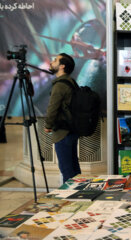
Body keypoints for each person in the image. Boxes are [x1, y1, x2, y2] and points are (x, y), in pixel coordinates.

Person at [44, 53, 81, 183]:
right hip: (72, 130)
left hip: (62, 132)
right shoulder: (71, 82)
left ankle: (71, 199)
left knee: (67, 170)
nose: (51, 62)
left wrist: (48, 126)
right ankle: (79, 194)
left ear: (62, 66)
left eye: (55, 60)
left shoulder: (60, 85)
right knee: (74, 168)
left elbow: (52, 108)